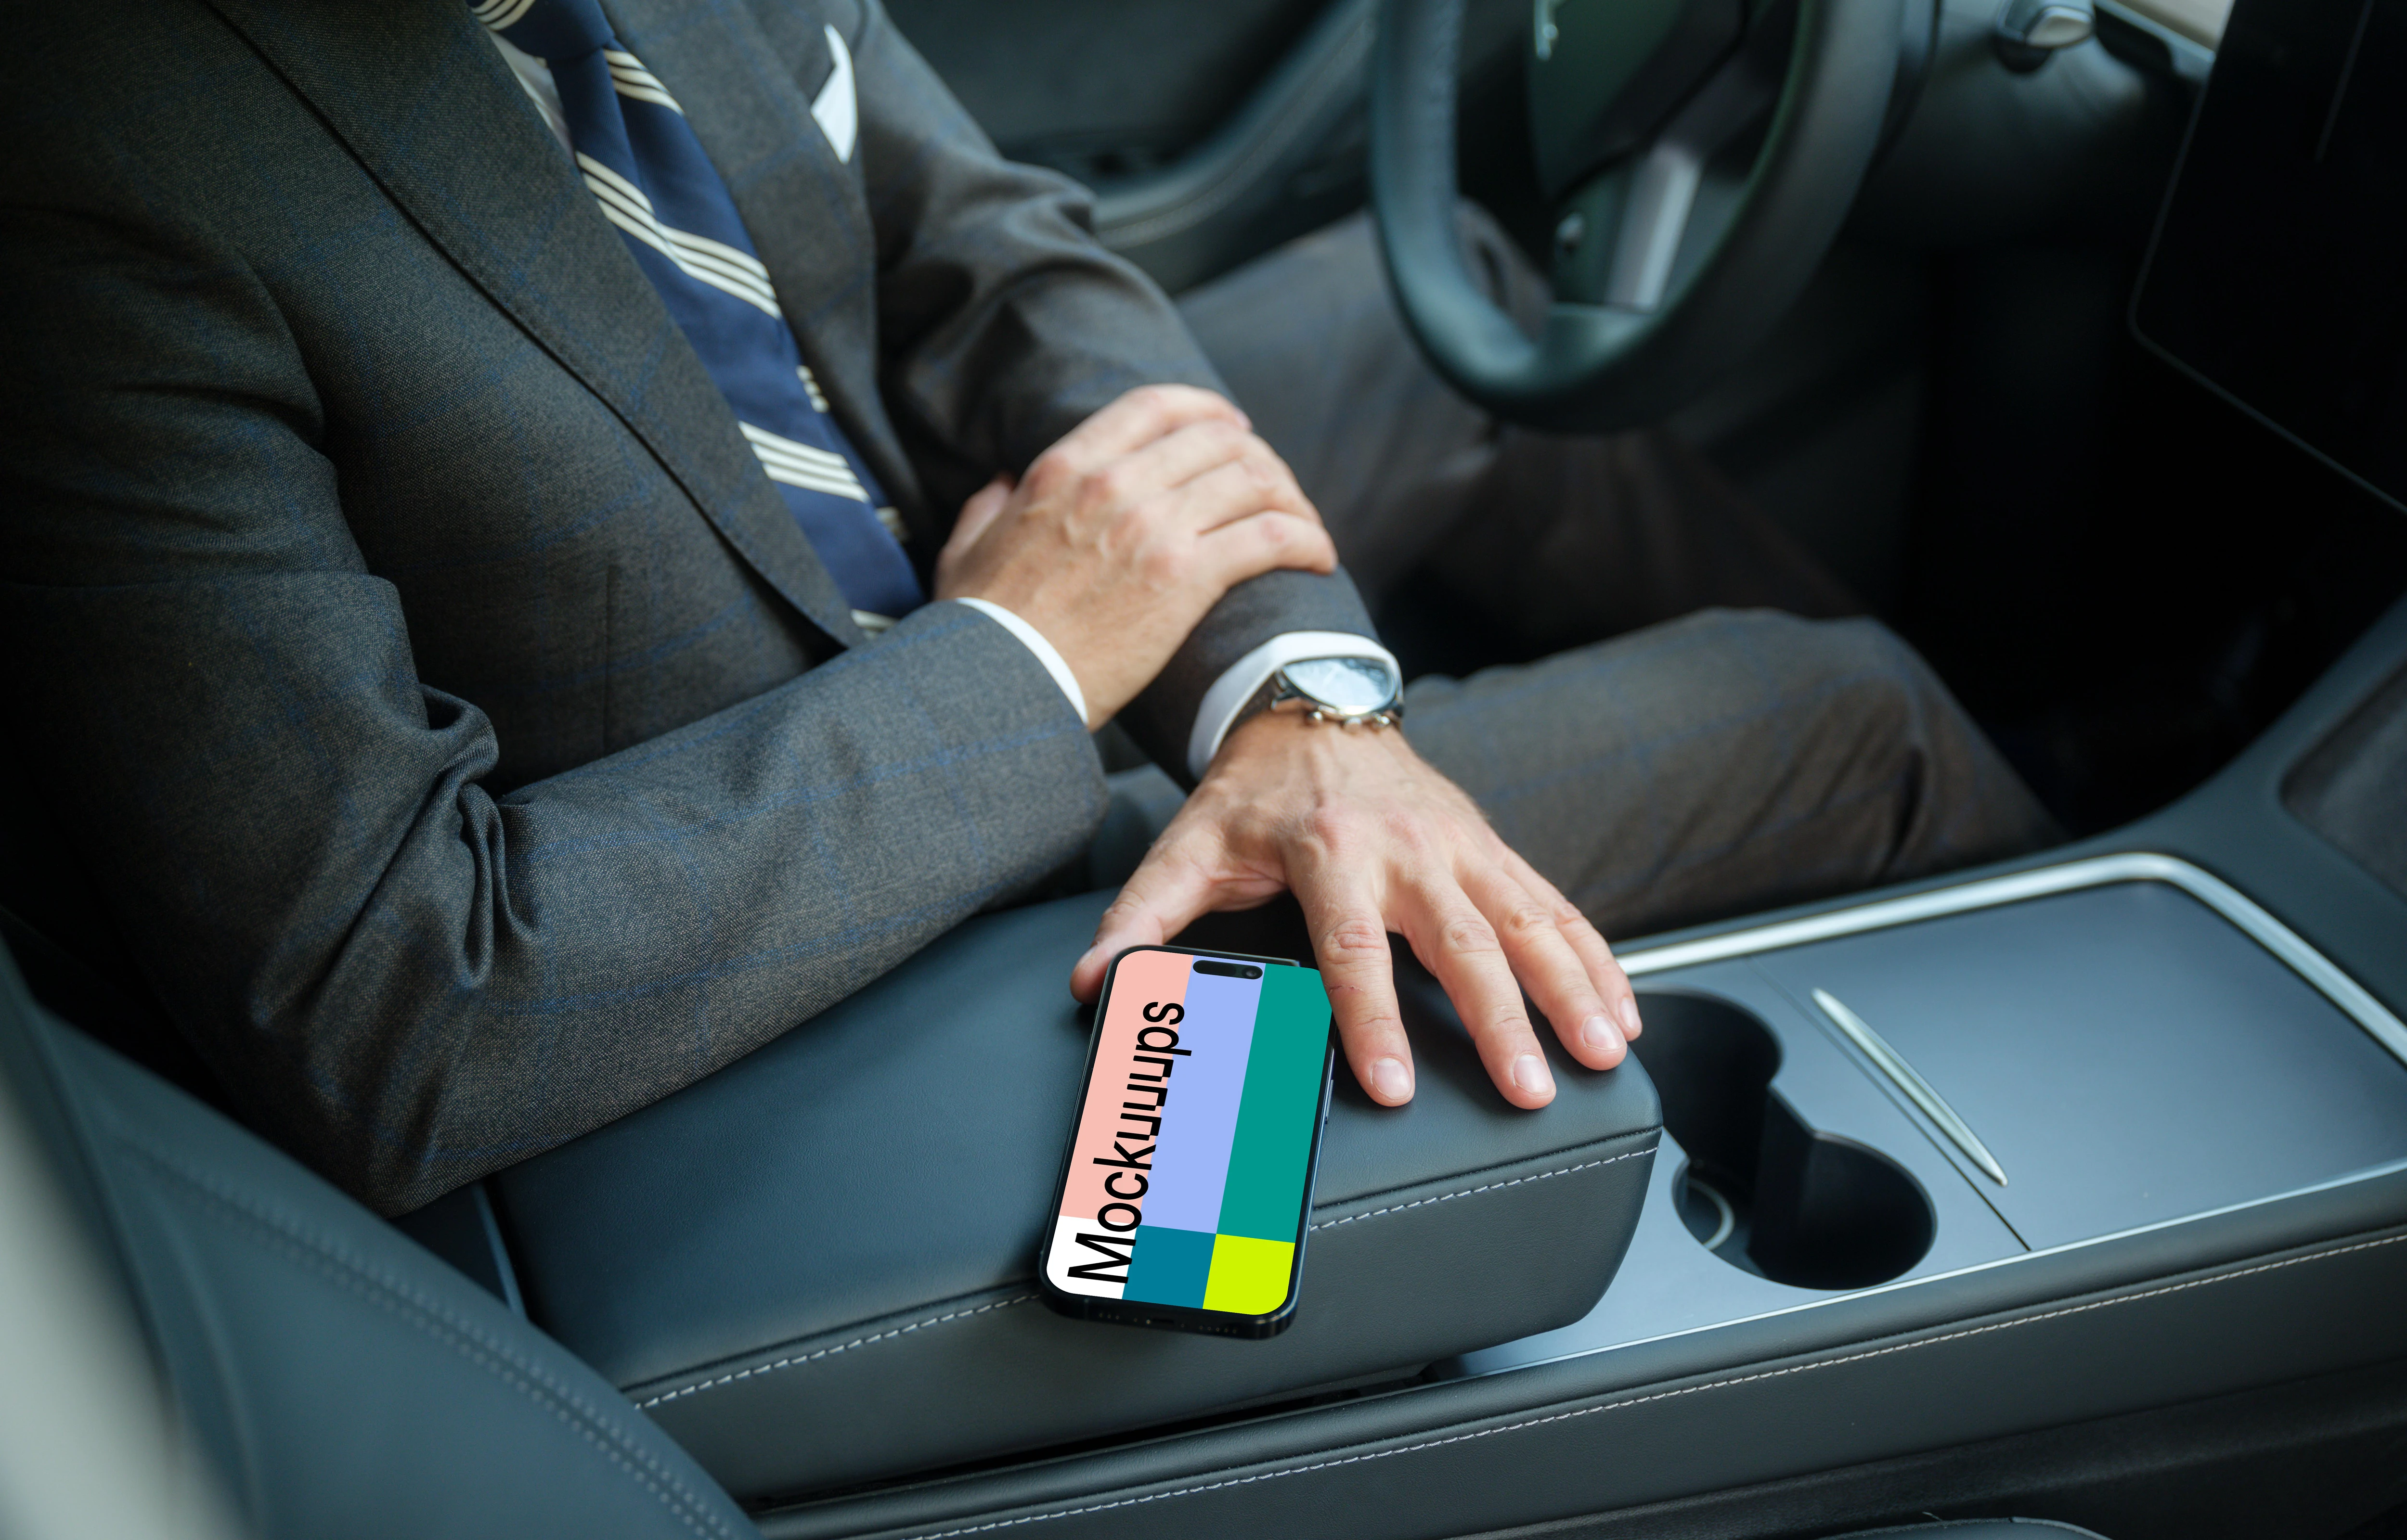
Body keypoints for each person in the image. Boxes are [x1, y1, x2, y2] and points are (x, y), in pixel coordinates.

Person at [0, 0, 2055, 1216]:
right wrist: (1030, 657)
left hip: (938, 593)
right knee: (1849, 718)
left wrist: (1295, 699)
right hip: (828, 943)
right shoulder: (96, 161)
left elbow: (991, 253)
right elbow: (383, 999)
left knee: (1457, 333)